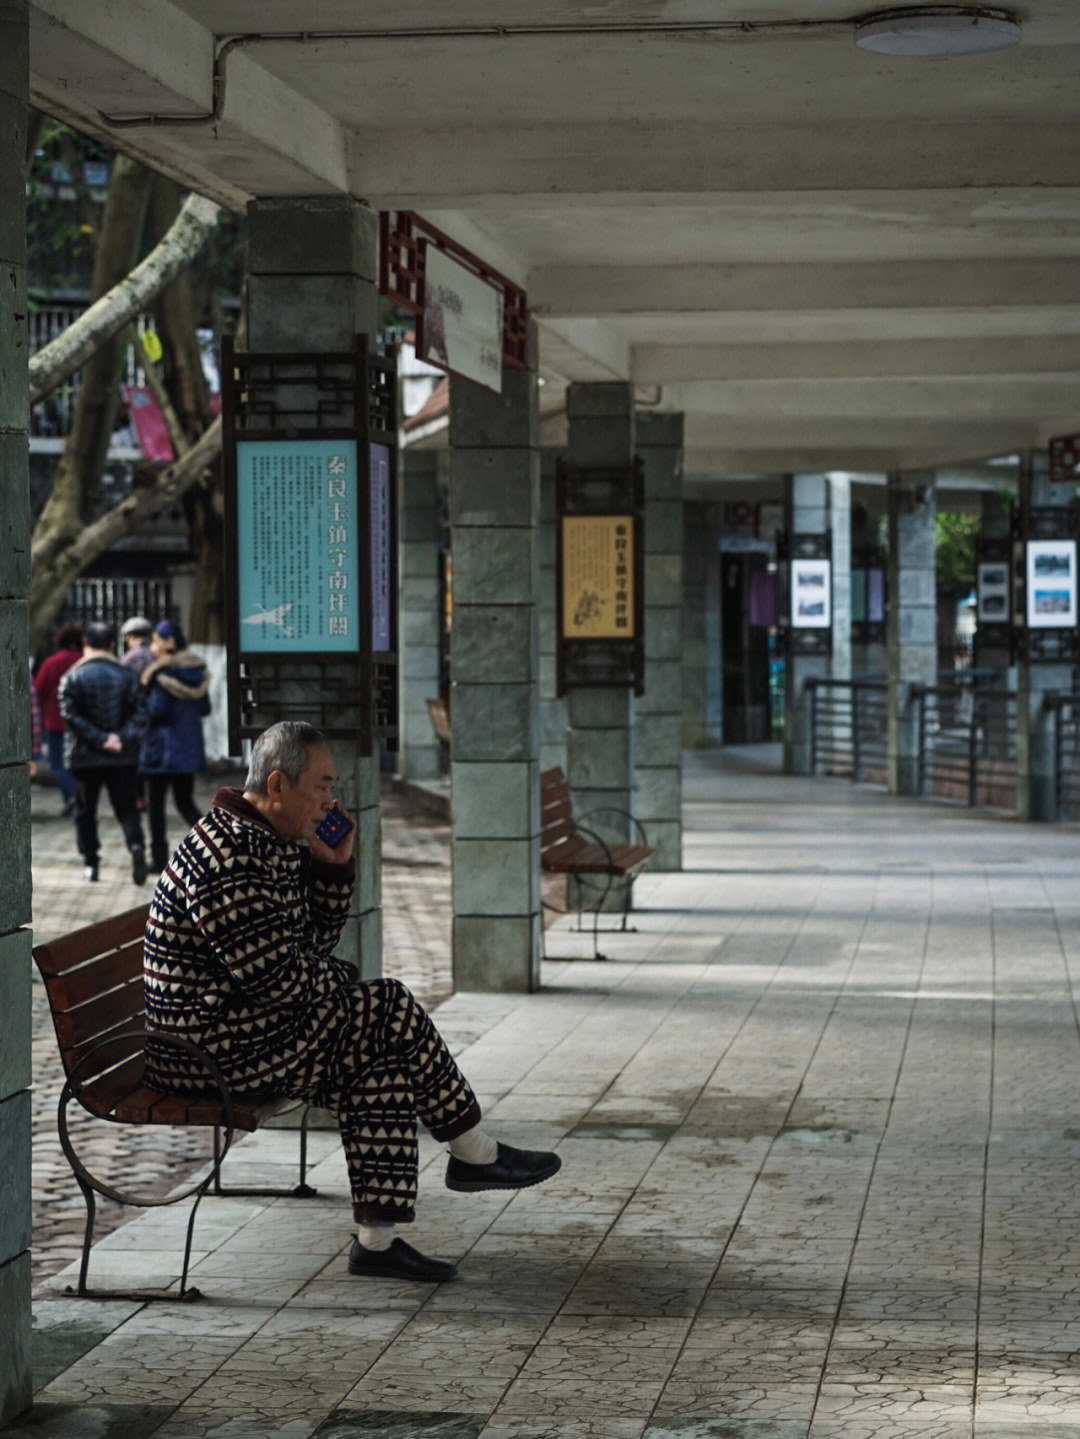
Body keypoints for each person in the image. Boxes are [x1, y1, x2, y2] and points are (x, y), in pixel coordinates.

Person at [143, 720, 561, 1283]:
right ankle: (472, 1152)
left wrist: (332, 868)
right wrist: (343, 982)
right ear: (277, 785)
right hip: (208, 1048)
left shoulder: (270, 841)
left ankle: (377, 1242)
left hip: (248, 1028)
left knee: (378, 1059)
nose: (330, 802)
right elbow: (276, 981)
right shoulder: (229, 856)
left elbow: (307, 946)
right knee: (384, 1004)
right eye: (321, 786)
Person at [58, 620, 148, 884]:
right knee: (127, 808)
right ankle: (136, 846)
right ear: (112, 644)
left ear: (86, 644)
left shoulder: (72, 677)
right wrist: (118, 738)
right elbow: (142, 715)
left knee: (85, 811)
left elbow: (70, 715)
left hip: (85, 757)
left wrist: (99, 739)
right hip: (122, 757)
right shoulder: (128, 676)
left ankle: (91, 862)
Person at [140, 619, 210, 873]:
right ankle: (215, 845)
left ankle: (158, 860)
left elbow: (156, 711)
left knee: (156, 807)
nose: (153, 647)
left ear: (170, 642)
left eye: (156, 640)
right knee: (185, 802)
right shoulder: (197, 670)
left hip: (161, 750)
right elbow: (205, 708)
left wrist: (144, 699)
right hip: (188, 749)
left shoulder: (160, 674)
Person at [32, 622, 83, 813]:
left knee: (58, 764)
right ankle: (77, 799)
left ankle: (71, 798)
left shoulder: (51, 662)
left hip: (55, 722)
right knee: (76, 764)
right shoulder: (83, 660)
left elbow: (38, 691)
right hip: (81, 723)